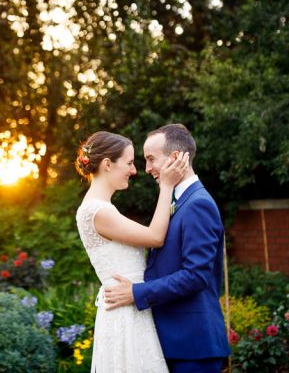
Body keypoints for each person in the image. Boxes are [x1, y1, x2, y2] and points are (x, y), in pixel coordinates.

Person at [103, 124, 231, 373]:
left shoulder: (198, 204)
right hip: (174, 342)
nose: (147, 168)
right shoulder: (176, 200)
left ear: (174, 158)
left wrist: (136, 293)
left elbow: (196, 276)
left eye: (151, 159)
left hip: (193, 346)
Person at [75, 130, 190, 373]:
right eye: (128, 163)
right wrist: (167, 186)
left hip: (130, 306)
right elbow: (155, 237)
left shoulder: (101, 208)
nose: (134, 170)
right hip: (124, 315)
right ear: (107, 164)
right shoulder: (98, 211)